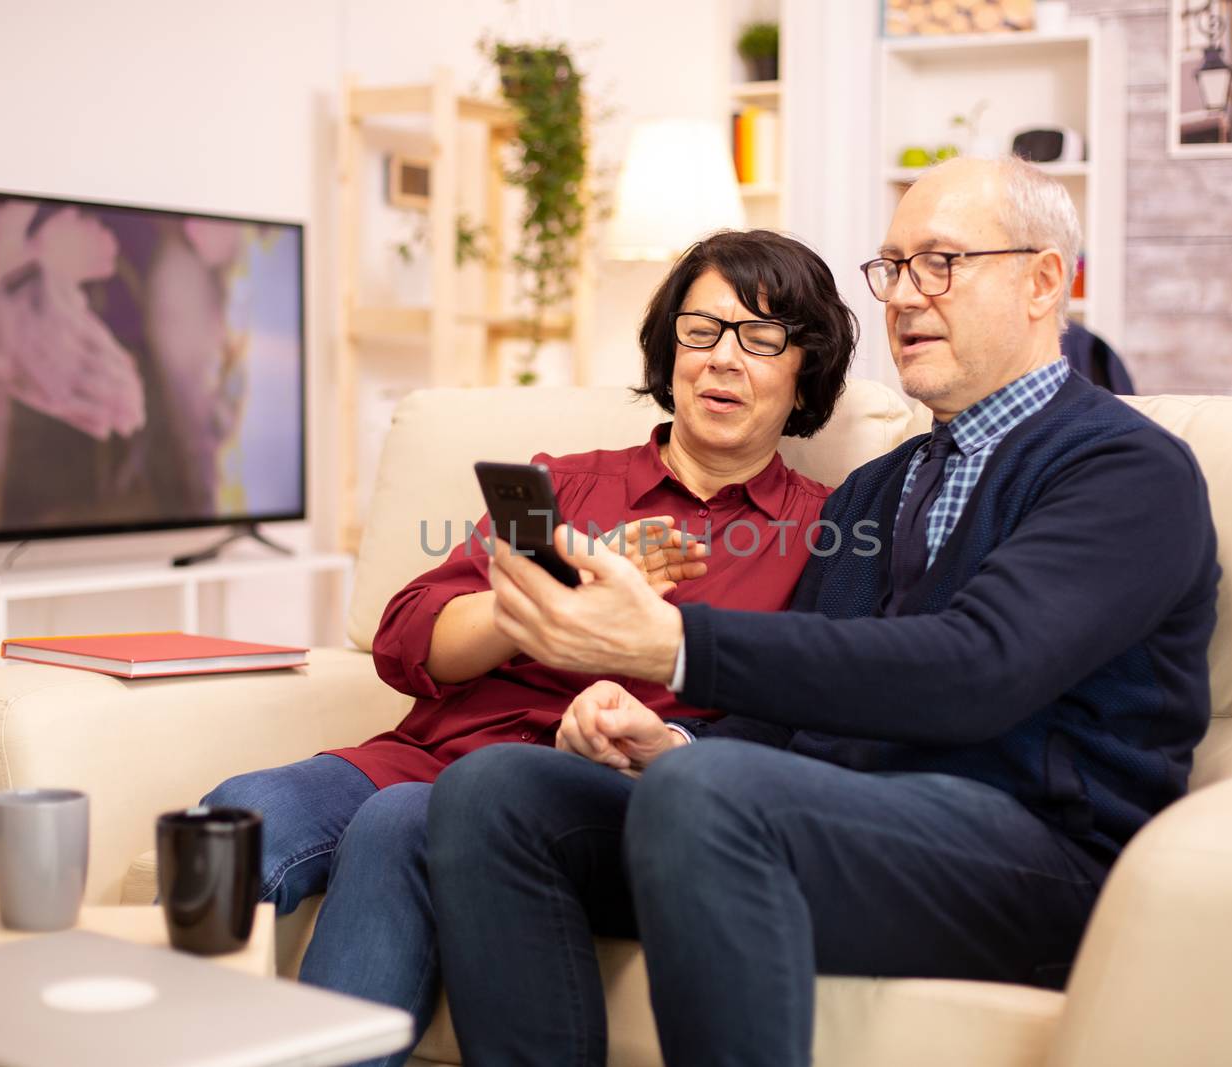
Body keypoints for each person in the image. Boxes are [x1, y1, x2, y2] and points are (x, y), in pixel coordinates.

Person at [425, 156, 1221, 1066]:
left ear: (1043, 280)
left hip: (1041, 859)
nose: (907, 297)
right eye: (892, 268)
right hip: (850, 828)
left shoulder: (1124, 470)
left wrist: (672, 644)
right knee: (495, 793)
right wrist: (672, 744)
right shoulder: (876, 489)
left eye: (941, 264)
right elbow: (791, 723)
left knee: (708, 796)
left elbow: (976, 670)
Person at [198, 228, 858, 1065]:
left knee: (405, 822)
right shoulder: (570, 483)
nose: (723, 360)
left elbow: (805, 719)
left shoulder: (826, 531)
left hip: (592, 796)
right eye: (702, 330)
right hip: (431, 752)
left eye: (762, 338)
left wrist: (656, 738)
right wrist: (540, 606)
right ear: (670, 346)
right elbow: (408, 633)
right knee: (232, 816)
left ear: (806, 367)